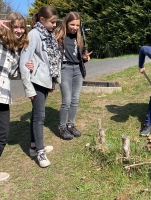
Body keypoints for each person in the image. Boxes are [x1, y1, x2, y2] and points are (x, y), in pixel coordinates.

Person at [0, 13, 31, 182]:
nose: (19, 31)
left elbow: (12, 74)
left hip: (1, 95)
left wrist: (26, 68)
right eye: (16, 27)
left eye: (22, 27)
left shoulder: (17, 49)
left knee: (1, 133)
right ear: (8, 26)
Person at [19, 5, 60, 168]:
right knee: (39, 117)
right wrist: (29, 89)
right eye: (52, 22)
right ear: (42, 20)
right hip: (35, 82)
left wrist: (51, 82)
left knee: (36, 114)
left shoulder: (48, 35)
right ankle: (40, 152)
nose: (54, 25)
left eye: (56, 22)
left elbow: (49, 61)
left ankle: (33, 147)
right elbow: (24, 62)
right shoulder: (34, 34)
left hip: (44, 81)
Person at [54, 12, 92, 140]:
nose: (75, 27)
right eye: (72, 24)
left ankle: (70, 125)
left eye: (77, 25)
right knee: (67, 100)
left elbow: (78, 55)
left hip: (78, 69)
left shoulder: (78, 37)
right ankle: (62, 127)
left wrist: (85, 58)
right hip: (65, 69)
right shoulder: (59, 35)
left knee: (75, 99)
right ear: (66, 23)